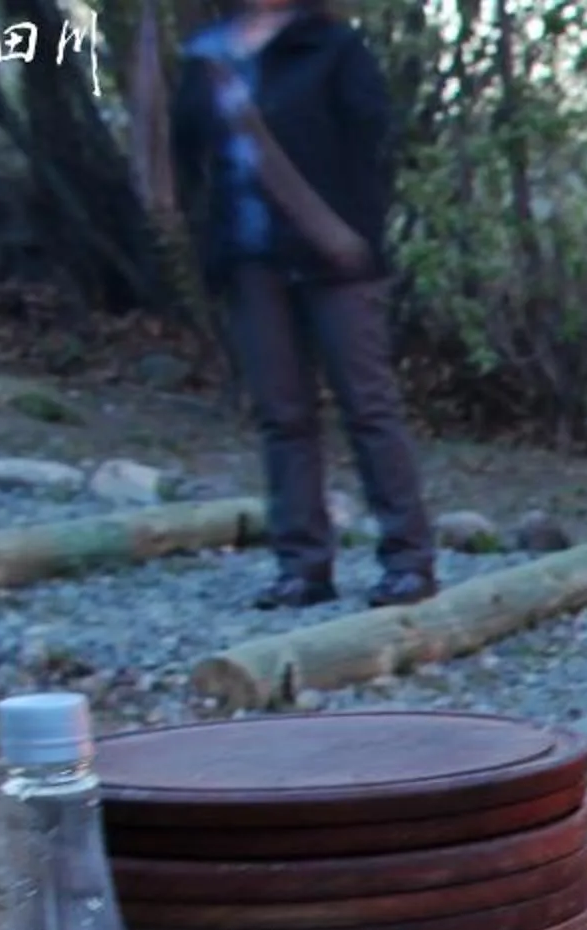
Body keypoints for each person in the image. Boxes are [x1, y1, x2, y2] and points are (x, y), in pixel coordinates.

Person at [168, 0, 438, 610]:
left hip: (334, 254)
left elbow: (375, 147)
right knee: (282, 414)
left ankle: (408, 559)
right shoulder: (206, 54)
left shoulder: (333, 49)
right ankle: (303, 566)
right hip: (249, 256)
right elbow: (186, 155)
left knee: (368, 406)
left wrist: (352, 234)